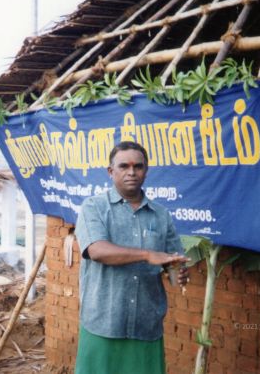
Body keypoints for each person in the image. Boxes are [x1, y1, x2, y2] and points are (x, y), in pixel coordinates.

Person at [74, 141, 190, 374]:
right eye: (124, 166)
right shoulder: (93, 207)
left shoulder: (160, 215)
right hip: (103, 321)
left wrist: (177, 272)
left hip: (145, 324)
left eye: (138, 166)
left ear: (146, 170)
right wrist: (148, 254)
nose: (131, 172)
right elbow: (97, 250)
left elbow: (171, 265)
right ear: (111, 171)